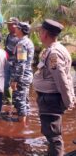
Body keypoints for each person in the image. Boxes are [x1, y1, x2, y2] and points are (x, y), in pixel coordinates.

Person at [33, 19, 75, 156]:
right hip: (49, 99)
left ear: (45, 33)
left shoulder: (54, 54)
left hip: (50, 100)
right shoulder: (54, 49)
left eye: (40, 31)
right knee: (50, 133)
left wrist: (68, 99)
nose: (39, 34)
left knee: (53, 136)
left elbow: (61, 79)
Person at [10, 22, 34, 125]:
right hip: (27, 75)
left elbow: (21, 63)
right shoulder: (28, 41)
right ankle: (25, 122)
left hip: (22, 77)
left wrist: (16, 80)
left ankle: (21, 125)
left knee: (20, 101)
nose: (15, 29)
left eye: (17, 28)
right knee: (25, 100)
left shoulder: (21, 44)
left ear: (21, 30)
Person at [4, 17, 19, 105]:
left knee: (15, 83)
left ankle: (15, 101)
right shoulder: (8, 36)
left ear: (15, 26)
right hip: (7, 62)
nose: (8, 26)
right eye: (8, 25)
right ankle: (9, 100)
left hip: (15, 63)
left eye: (10, 25)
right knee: (6, 83)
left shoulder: (19, 38)